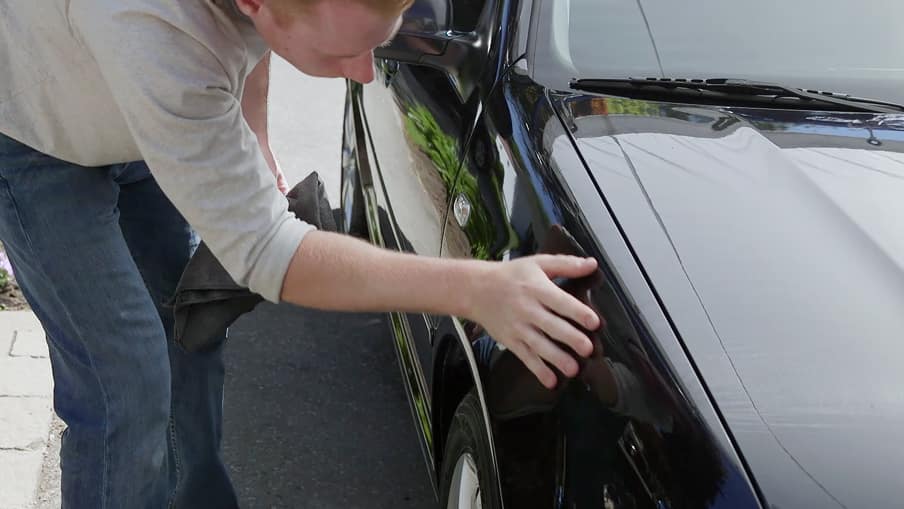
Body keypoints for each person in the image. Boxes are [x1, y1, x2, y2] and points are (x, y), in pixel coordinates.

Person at [0, 0, 601, 507]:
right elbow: (268, 254)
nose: (365, 74)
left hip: (137, 103)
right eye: (343, 53)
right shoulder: (152, 31)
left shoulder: (243, 20)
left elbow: (254, 41)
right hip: (35, 134)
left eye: (374, 46)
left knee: (189, 335)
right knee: (125, 383)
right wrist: (477, 290)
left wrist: (255, 135)